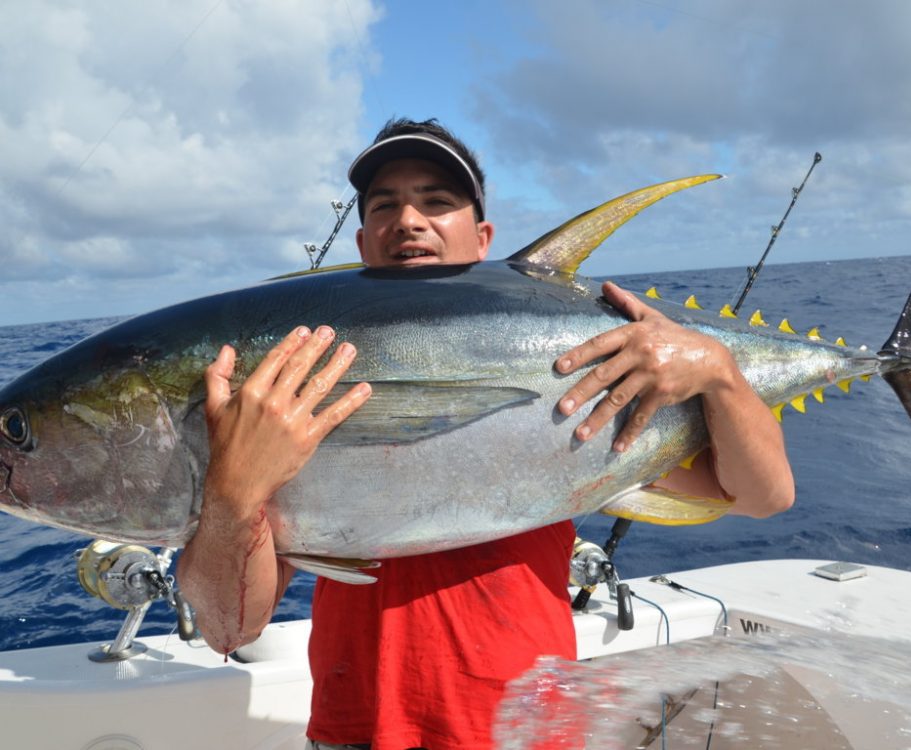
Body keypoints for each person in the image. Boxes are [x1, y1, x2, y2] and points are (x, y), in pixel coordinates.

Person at [177, 118, 794, 750]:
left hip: (522, 734)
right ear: (363, 242)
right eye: (385, 205)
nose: (409, 219)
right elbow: (231, 629)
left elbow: (761, 494)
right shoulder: (292, 384)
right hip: (353, 731)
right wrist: (233, 489)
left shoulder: (579, 368)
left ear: (483, 236)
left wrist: (718, 371)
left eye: (438, 202)